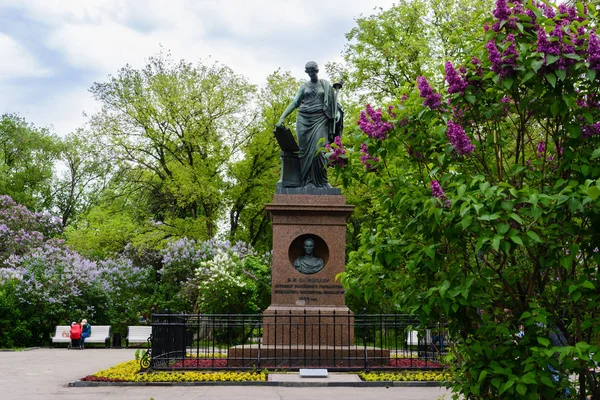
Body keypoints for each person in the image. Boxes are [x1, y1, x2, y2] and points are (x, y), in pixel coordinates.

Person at [276, 61, 342, 188]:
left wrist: (337, 114)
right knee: (304, 152)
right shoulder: (304, 87)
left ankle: (323, 181)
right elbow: (295, 103)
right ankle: (305, 182)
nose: (311, 73)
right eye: (309, 71)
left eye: (313, 71)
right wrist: (282, 117)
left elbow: (334, 104)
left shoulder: (325, 85)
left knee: (319, 150)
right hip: (303, 119)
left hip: (320, 119)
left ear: (317, 71)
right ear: (306, 72)